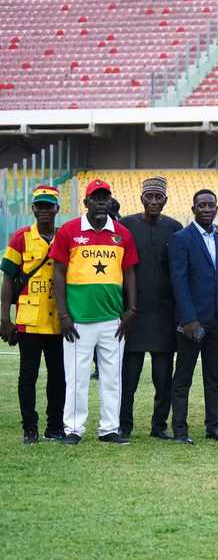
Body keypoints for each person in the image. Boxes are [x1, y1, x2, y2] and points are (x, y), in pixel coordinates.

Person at [49, 179, 138, 445]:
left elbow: (130, 272)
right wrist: (64, 315)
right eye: (96, 198)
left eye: (105, 198)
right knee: (76, 378)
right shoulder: (69, 231)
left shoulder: (122, 233)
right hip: (78, 320)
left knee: (112, 378)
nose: (101, 202)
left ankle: (109, 428)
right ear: (85, 202)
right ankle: (74, 429)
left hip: (113, 320)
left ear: (110, 201)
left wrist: (131, 309)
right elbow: (58, 273)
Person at [168, 188, 218, 445]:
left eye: (211, 205)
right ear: (193, 208)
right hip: (192, 322)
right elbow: (179, 281)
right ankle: (180, 430)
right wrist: (188, 319)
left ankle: (214, 427)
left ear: (217, 209)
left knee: (214, 377)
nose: (207, 209)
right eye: (202, 205)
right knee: (183, 377)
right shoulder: (181, 238)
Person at [119, 176, 182, 441]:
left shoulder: (174, 227)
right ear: (141, 198)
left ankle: (159, 425)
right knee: (128, 377)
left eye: (158, 197)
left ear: (165, 200)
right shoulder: (126, 225)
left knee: (163, 378)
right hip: (132, 313)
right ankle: (123, 425)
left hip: (164, 314)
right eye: (149, 197)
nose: (154, 201)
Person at [1, 185, 64, 444]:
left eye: (49, 206)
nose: (45, 210)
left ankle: (55, 426)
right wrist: (4, 318)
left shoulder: (65, 237)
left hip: (58, 320)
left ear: (57, 209)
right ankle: (30, 428)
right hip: (29, 320)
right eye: (40, 206)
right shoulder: (20, 238)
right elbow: (8, 278)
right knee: (28, 377)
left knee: (58, 377)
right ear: (33, 209)